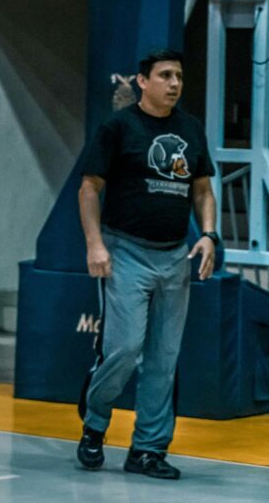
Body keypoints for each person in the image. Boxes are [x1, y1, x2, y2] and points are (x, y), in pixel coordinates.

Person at [76, 50, 218, 480]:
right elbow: (89, 188)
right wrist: (95, 245)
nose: (175, 84)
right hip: (125, 252)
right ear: (142, 81)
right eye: (165, 75)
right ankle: (95, 422)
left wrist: (209, 235)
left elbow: (203, 191)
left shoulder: (191, 129)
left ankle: (148, 450)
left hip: (175, 255)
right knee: (124, 349)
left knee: (163, 357)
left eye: (179, 76)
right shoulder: (119, 127)